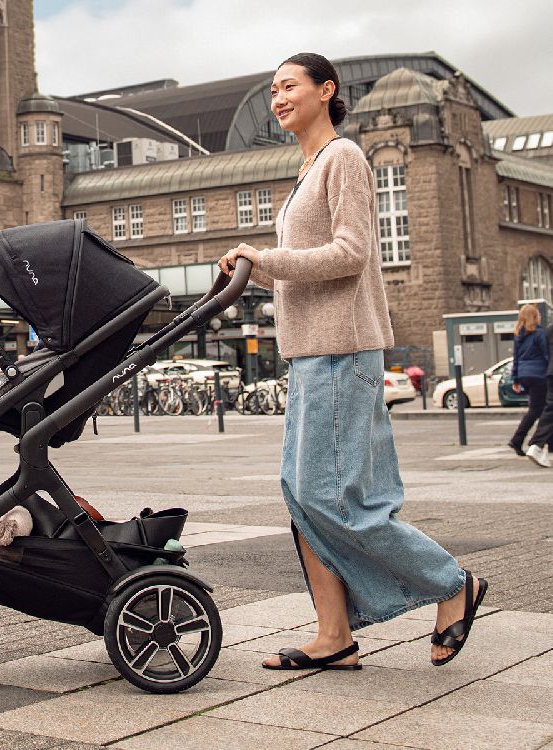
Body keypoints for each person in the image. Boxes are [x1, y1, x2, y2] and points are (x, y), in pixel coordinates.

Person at [218, 52, 486, 670]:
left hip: (343, 351)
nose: (278, 97)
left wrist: (266, 258)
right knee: (301, 494)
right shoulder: (306, 167)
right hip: (312, 353)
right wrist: (252, 274)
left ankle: (453, 583)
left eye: (288, 86)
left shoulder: (343, 157)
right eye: (273, 89)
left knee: (336, 499)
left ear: (325, 90)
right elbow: (305, 269)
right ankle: (334, 635)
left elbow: (348, 255)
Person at [517, 310, 552, 468]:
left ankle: (537, 445)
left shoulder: (546, 330)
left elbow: (516, 357)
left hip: (546, 374)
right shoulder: (539, 334)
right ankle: (535, 445)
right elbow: (545, 354)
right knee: (542, 409)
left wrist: (516, 378)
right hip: (540, 375)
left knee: (547, 409)